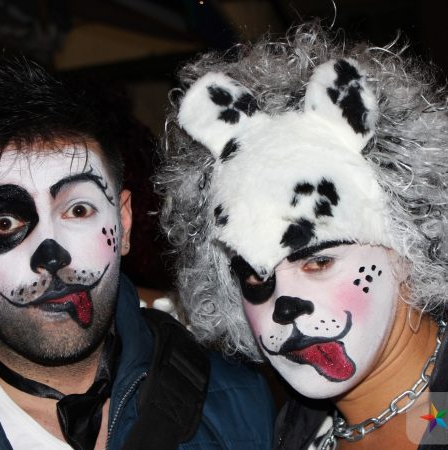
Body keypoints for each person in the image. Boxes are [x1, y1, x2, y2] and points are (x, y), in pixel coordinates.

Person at [157, 22, 448, 449]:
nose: (283, 307)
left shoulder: (439, 418)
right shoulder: (296, 433)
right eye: (256, 276)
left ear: (412, 244)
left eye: (318, 261)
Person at [0, 54, 275, 450]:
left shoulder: (236, 405)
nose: (53, 256)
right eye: (5, 223)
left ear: (123, 224)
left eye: (78, 210)